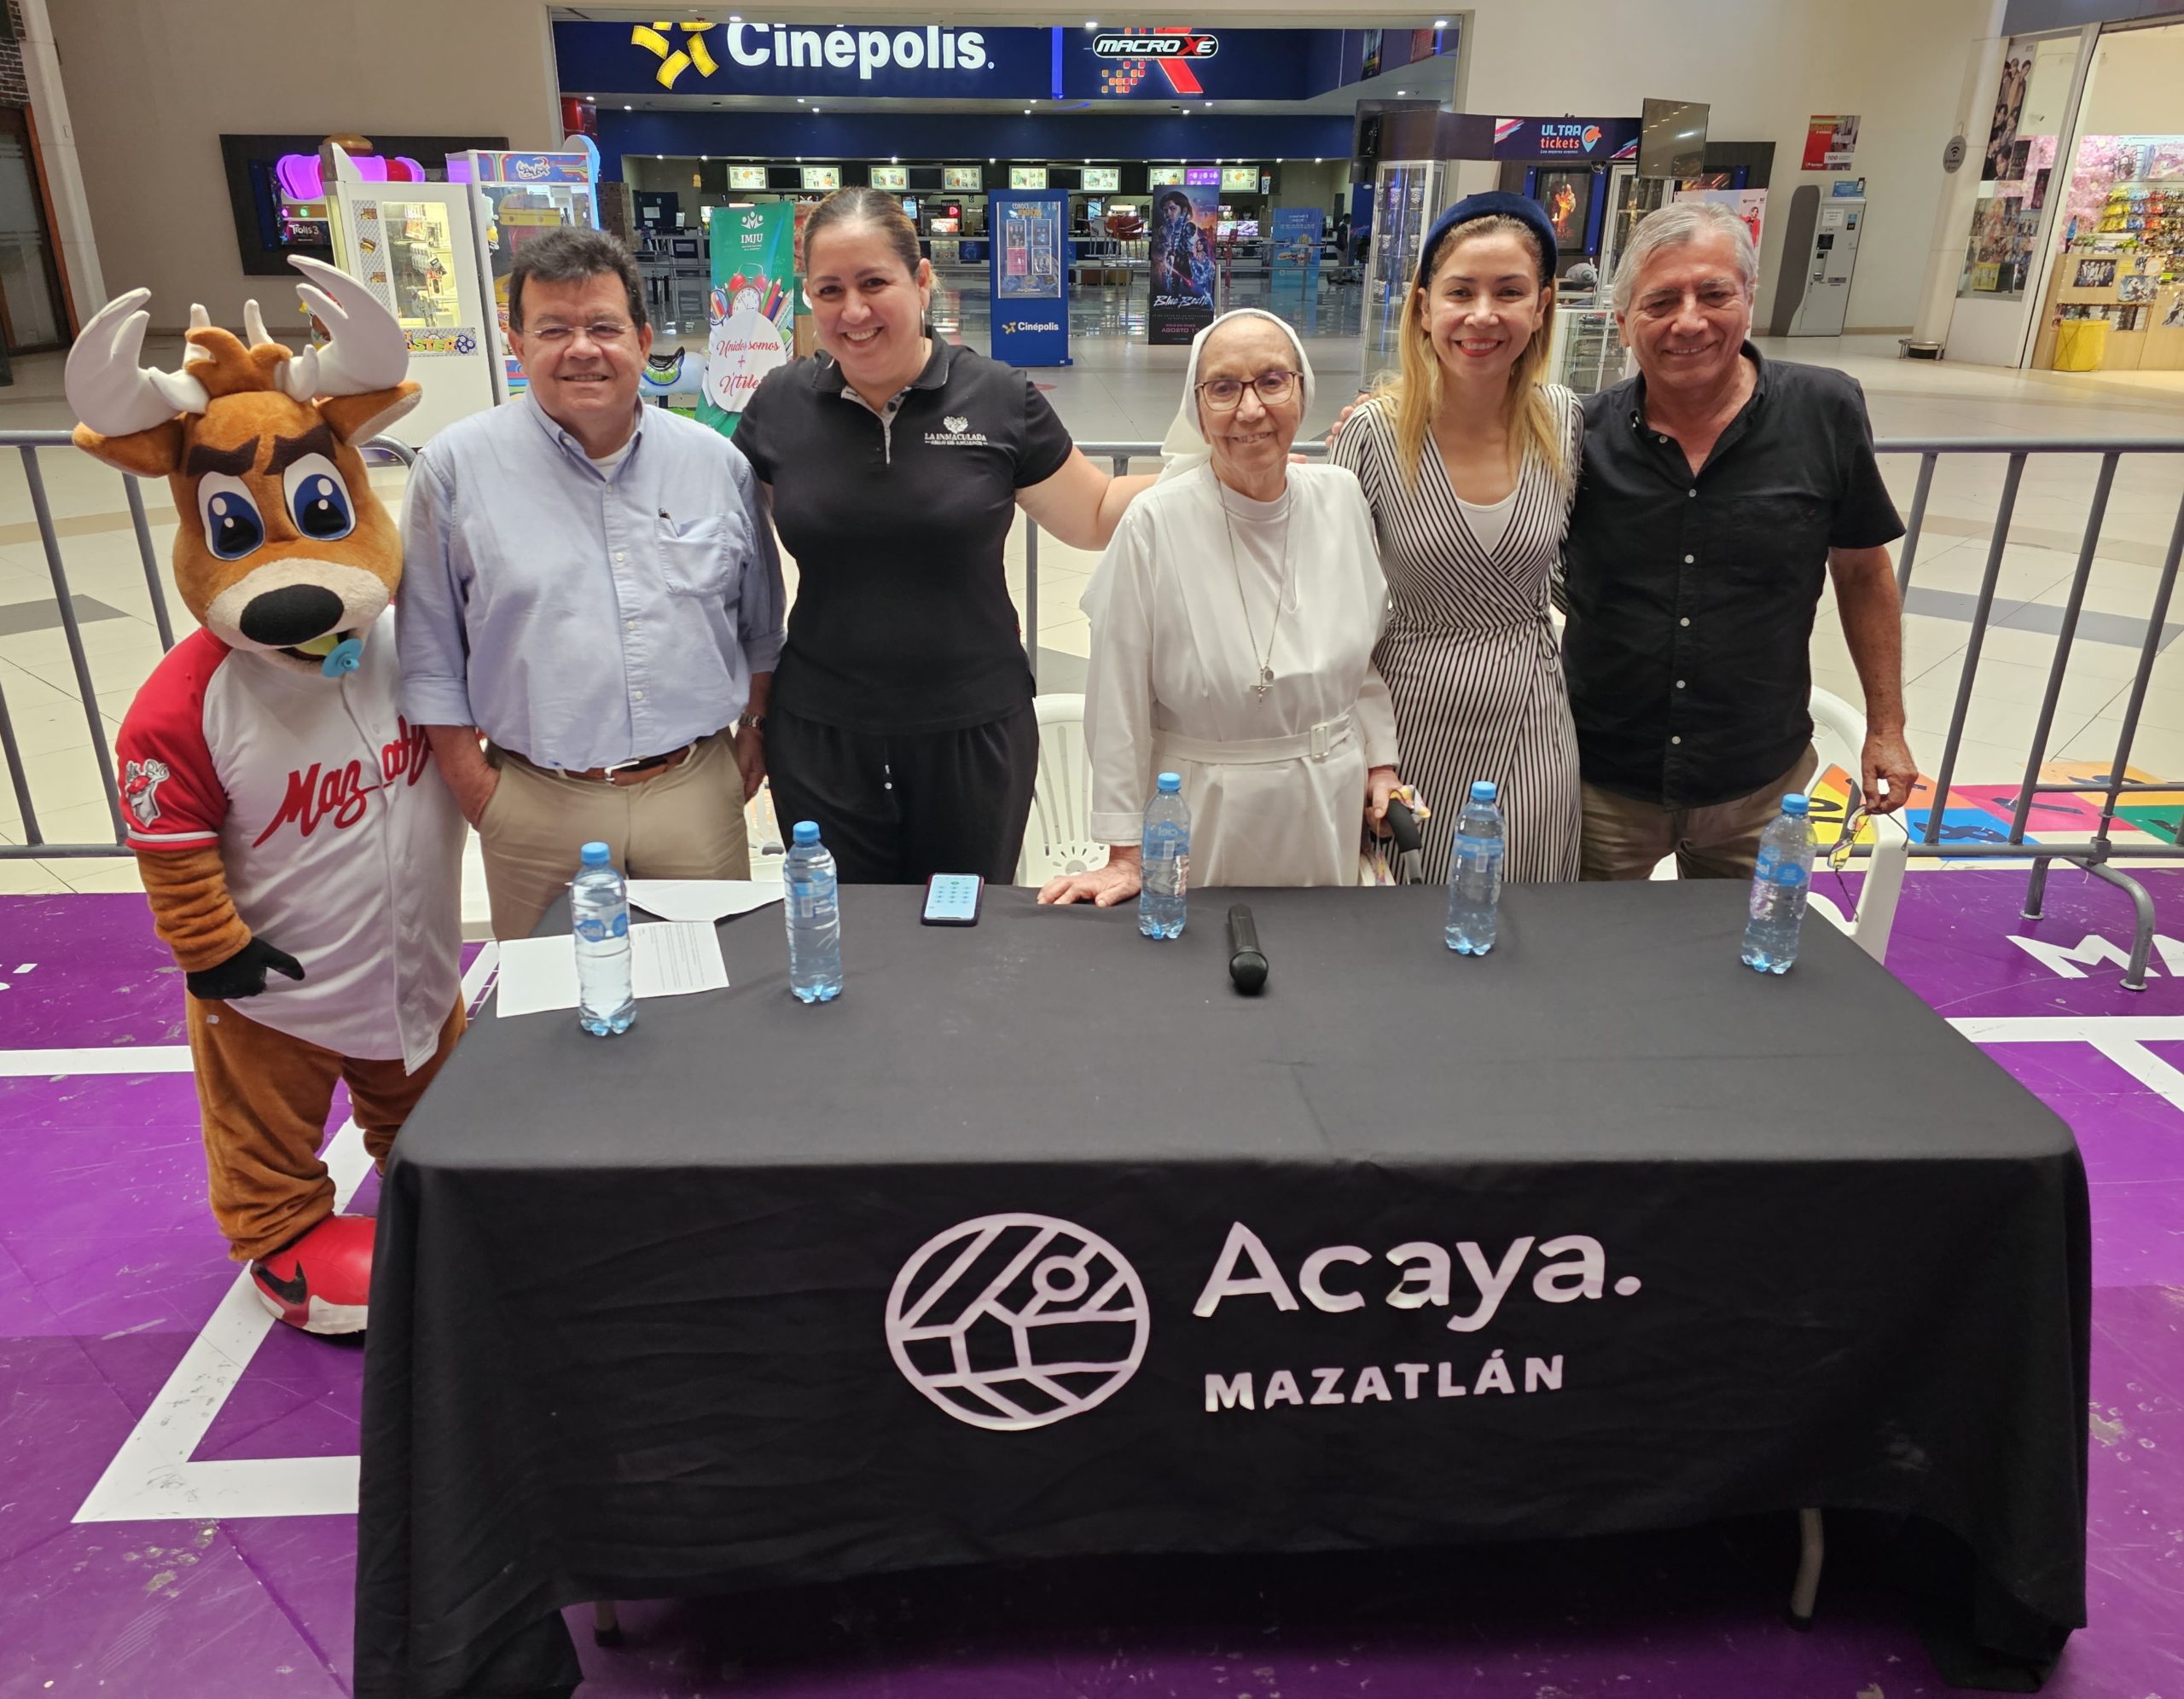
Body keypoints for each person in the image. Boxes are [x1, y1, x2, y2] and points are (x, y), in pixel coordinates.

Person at [732, 186, 1152, 885]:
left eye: (874, 283)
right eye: (830, 290)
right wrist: (751, 716)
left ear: (921, 280)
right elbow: (731, 553)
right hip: (821, 735)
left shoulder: (998, 396)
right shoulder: (780, 404)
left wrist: (1222, 473)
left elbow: (1097, 512)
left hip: (974, 730)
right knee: (851, 930)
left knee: (964, 929)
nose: (853, 311)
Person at [399, 227, 785, 940]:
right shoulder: (455, 470)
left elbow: (761, 625)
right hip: (535, 801)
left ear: (643, 340)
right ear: (517, 345)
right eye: (553, 329)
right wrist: (476, 788)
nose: (582, 349)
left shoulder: (715, 465)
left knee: (713, 992)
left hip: (694, 795)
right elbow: (427, 652)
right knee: (551, 998)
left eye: (604, 327)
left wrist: (754, 728)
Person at [1565, 200, 1914, 878]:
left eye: (1714, 294)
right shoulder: (1579, 434)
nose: (1689, 321)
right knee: (1585, 943)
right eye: (1660, 301)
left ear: (1749, 301)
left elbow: (1863, 573)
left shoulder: (1824, 411)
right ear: (1623, 322)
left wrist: (1887, 727)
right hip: (1601, 783)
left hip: (1758, 783)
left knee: (1748, 944)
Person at [1040, 308, 1400, 905]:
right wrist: (1124, 853)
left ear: (1303, 390)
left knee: (1323, 951)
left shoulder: (1341, 498)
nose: (1251, 409)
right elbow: (1117, 695)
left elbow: (1358, 661)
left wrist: (1379, 764)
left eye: (1272, 381)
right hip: (1202, 807)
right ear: (1198, 408)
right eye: (1224, 388)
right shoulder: (1156, 520)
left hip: (1327, 803)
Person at [1332, 192, 1583, 884]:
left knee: (1524, 902)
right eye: (1461, 291)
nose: (1483, 315)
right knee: (1403, 911)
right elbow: (1333, 605)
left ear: (1542, 307)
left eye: (1510, 292)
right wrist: (1367, 753)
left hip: (1530, 715)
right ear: (1423, 307)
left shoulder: (1563, 422)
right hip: (1405, 717)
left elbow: (1575, 572)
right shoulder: (1374, 434)